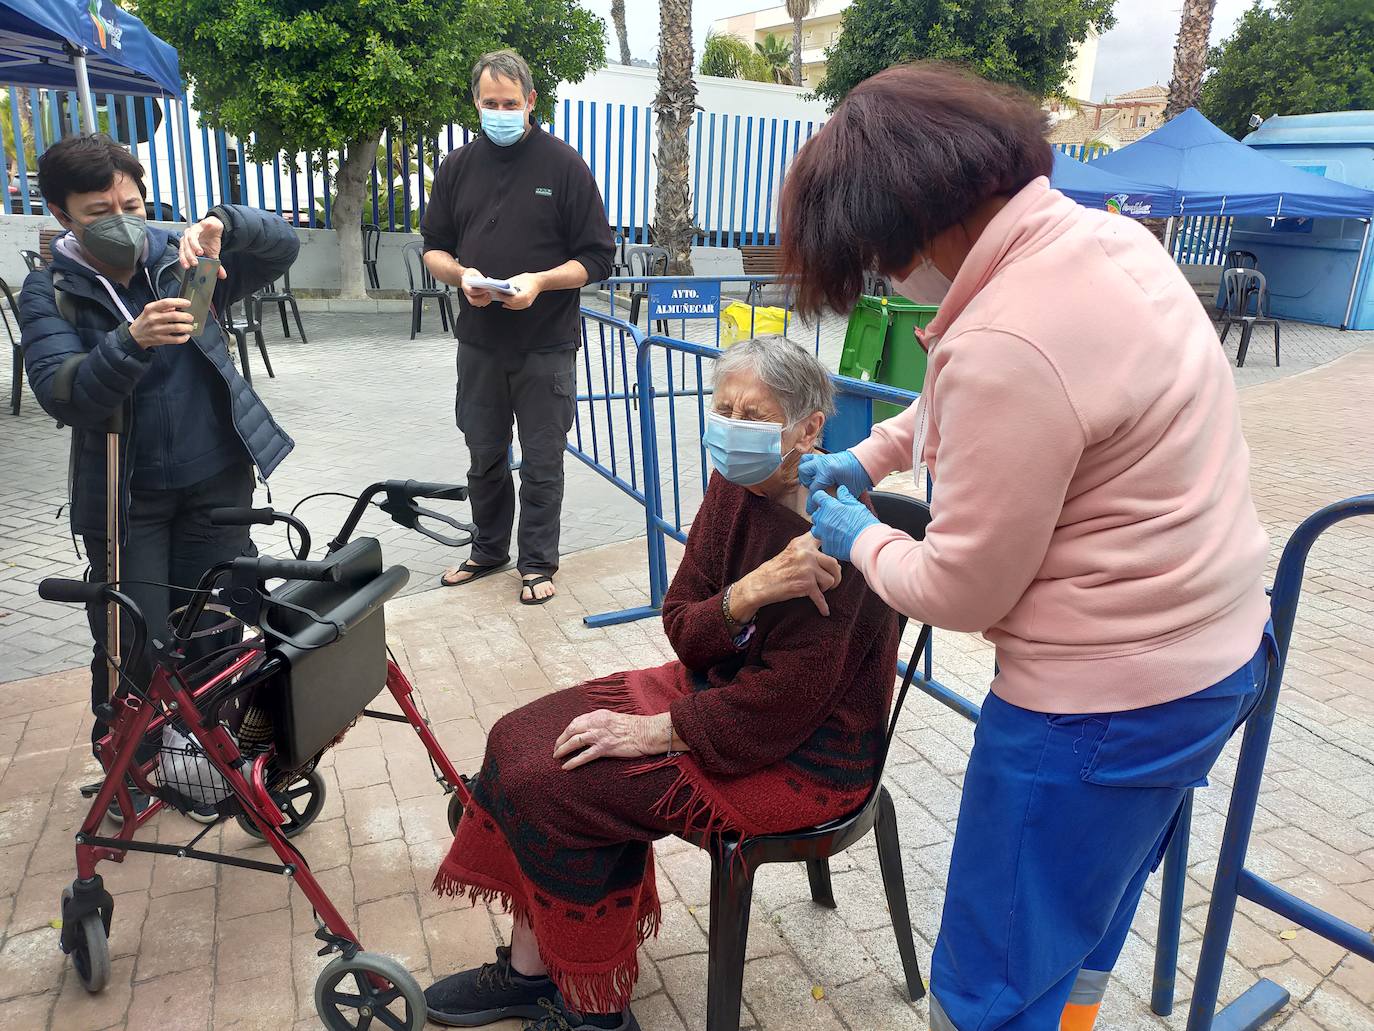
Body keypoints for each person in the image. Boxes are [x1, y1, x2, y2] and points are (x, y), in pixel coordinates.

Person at [779, 64, 1276, 1031]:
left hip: (1097, 706)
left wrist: (862, 535)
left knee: (993, 972)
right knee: (1081, 918)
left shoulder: (1008, 334)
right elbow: (968, 398)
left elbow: (960, 586)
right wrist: (872, 450)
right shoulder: (1097, 242)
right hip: (1213, 661)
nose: (887, 284)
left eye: (878, 263)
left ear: (917, 224)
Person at [425, 336, 899, 1031]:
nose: (732, 425)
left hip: (807, 755)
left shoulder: (842, 538)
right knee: (518, 738)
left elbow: (782, 709)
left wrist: (648, 730)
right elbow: (684, 623)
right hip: (720, 696)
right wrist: (749, 593)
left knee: (571, 780)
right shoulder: (734, 487)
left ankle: (598, 1010)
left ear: (809, 429)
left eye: (753, 412)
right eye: (723, 407)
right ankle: (534, 971)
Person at [20, 133, 296, 818]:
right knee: (134, 642)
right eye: (97, 211)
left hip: (215, 484)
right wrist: (131, 340)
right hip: (127, 498)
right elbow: (65, 391)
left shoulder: (180, 254)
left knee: (213, 630)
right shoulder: (49, 289)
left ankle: (202, 758)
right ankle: (127, 767)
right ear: (60, 214)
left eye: (131, 203)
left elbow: (282, 245)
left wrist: (220, 224)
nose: (120, 220)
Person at [421, 49, 615, 606]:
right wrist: (462, 276)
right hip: (479, 343)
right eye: (490, 103)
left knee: (541, 459)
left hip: (545, 346)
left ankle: (537, 563)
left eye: (510, 103)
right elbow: (433, 248)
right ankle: (487, 550)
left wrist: (539, 282)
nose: (500, 112)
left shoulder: (564, 165)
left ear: (531, 102)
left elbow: (598, 258)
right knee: (483, 453)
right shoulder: (457, 167)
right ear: (475, 103)